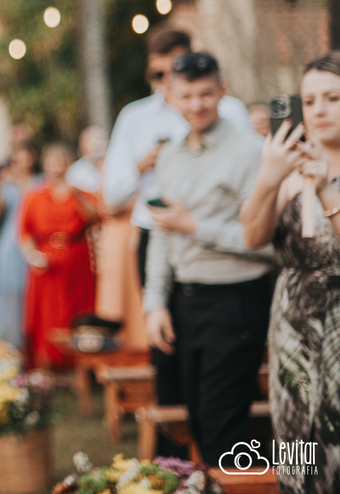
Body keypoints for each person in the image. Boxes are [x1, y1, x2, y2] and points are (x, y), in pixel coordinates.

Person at [100, 26, 251, 458]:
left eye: (177, 70)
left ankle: (229, 456)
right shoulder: (136, 118)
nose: (170, 83)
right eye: (160, 75)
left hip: (226, 248)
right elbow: (112, 196)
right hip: (160, 239)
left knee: (221, 371)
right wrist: (141, 164)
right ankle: (175, 459)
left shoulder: (230, 116)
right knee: (167, 352)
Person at [142, 52, 275, 468]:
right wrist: (154, 302)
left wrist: (195, 226)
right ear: (170, 96)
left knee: (223, 426)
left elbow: (267, 244)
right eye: (186, 96)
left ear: (222, 91)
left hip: (237, 300)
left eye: (206, 94)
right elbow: (162, 231)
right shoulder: (169, 154)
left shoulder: (252, 152)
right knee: (199, 420)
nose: (197, 104)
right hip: (186, 302)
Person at [241, 52, 340, 494]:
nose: (319, 110)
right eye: (309, 100)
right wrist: (268, 177)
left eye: (333, 98)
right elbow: (252, 235)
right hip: (293, 328)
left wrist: (325, 190)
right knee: (297, 440)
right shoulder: (288, 163)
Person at [18, 142, 98, 369]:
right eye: (53, 161)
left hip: (76, 259)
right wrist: (32, 255)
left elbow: (94, 219)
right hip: (47, 261)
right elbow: (25, 233)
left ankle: (79, 366)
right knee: (47, 314)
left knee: (77, 310)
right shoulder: (34, 196)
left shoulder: (82, 193)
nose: (57, 166)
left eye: (62, 161)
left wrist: (76, 196)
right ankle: (46, 364)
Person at [0, 140, 41, 348]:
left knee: (31, 292)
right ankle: (5, 343)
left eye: (23, 156)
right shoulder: (6, 182)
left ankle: (30, 345)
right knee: (7, 292)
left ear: (32, 158)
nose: (19, 161)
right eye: (15, 158)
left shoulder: (40, 181)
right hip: (9, 241)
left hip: (34, 241)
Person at [66, 126, 107, 194]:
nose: (96, 147)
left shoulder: (115, 165)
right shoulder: (75, 171)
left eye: (100, 141)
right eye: (92, 143)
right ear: (82, 146)